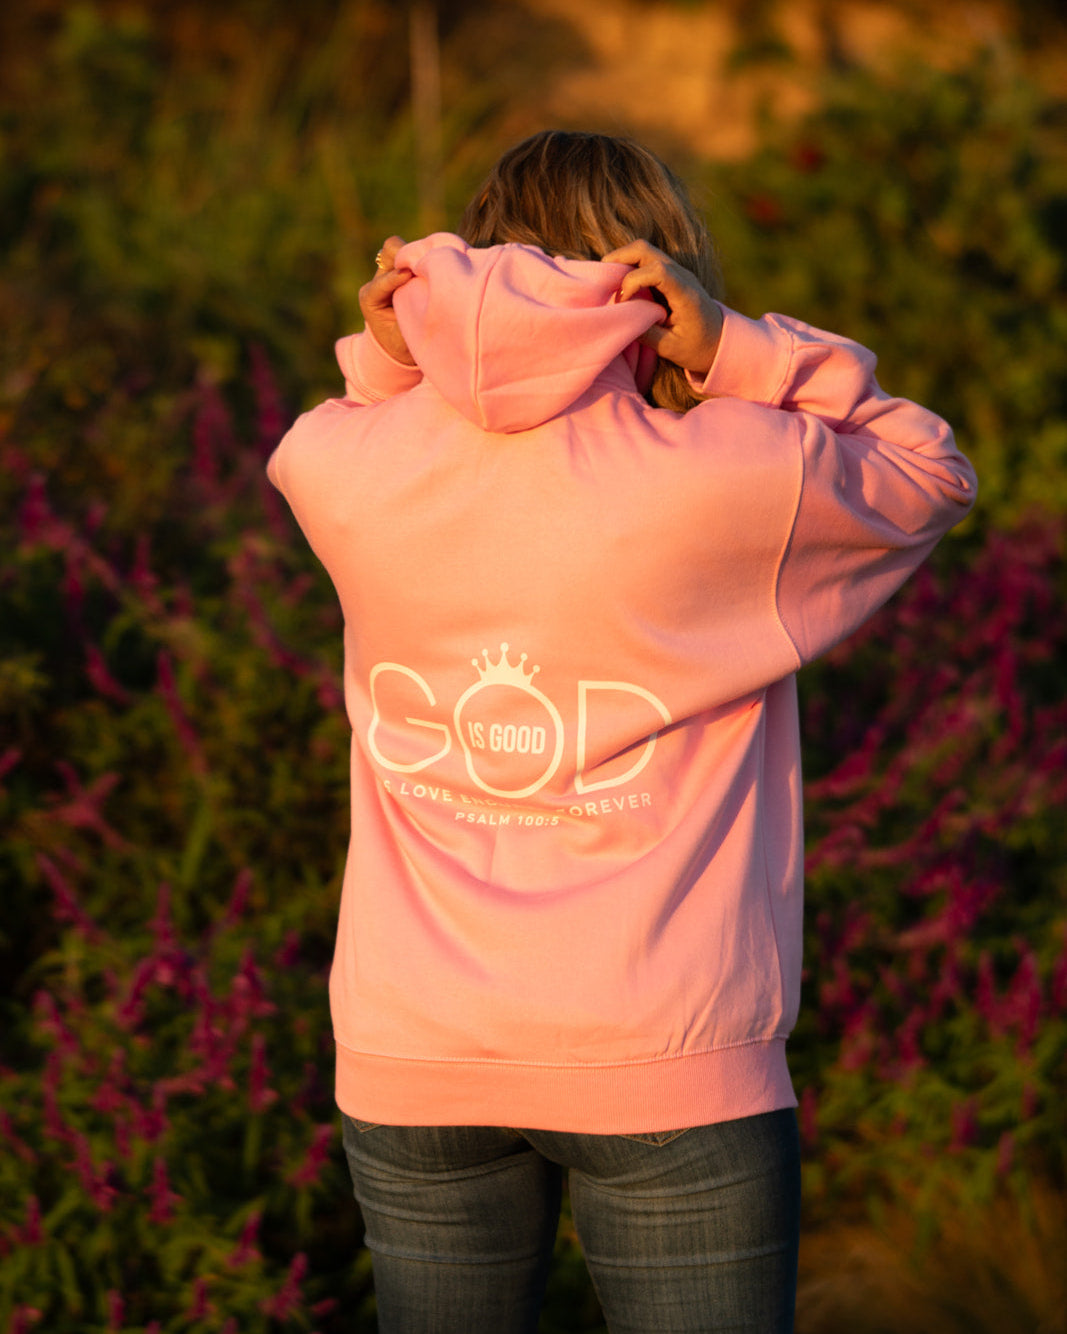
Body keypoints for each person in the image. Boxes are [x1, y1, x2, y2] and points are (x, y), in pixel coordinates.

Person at [267, 130, 976, 1333]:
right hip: (672, 1060)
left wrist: (393, 360)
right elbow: (927, 468)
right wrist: (734, 348)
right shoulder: (729, 475)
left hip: (412, 1053)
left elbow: (325, 427)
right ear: (654, 279)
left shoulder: (346, 465)